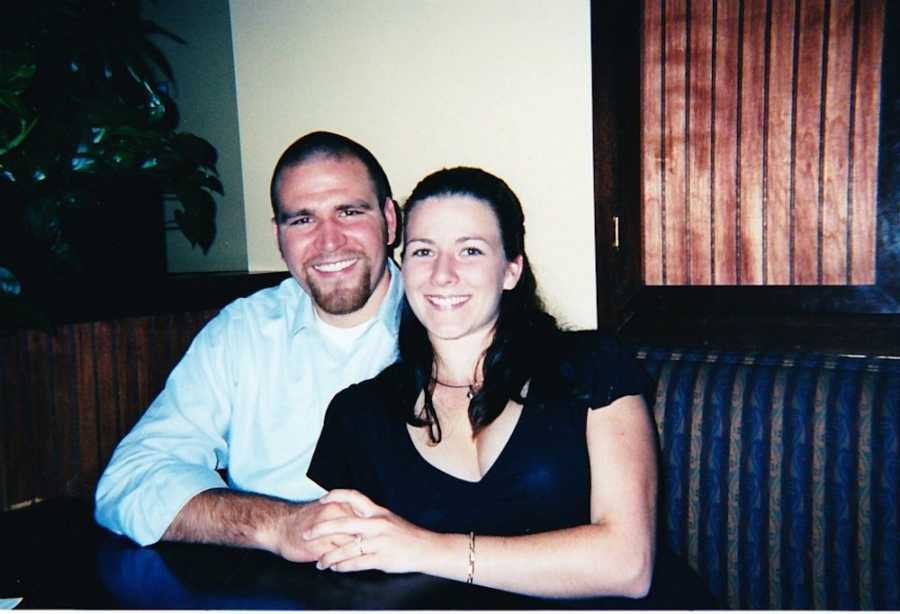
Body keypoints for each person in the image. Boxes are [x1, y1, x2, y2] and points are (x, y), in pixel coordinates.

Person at [305, 167, 660, 599]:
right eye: (422, 252)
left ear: (511, 270)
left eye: (470, 251)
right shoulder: (358, 413)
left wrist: (426, 549)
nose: (442, 274)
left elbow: (628, 565)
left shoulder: (591, 367)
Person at [94, 131, 402, 563]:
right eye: (302, 220)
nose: (329, 241)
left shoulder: (448, 321)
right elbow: (129, 481)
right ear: (278, 235)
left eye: (349, 212)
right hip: (267, 587)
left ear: (389, 218)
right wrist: (280, 525)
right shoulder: (243, 331)